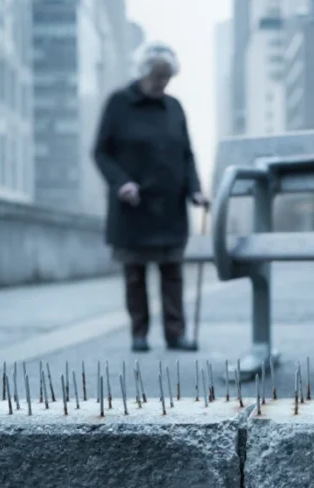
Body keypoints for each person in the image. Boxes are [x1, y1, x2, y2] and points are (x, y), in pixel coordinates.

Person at [93, 42, 209, 353]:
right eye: (158, 76)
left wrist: (195, 189)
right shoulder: (118, 103)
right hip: (133, 204)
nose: (163, 83)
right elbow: (101, 152)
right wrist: (121, 183)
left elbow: (187, 154)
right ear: (144, 72)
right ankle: (139, 334)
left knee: (172, 273)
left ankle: (175, 334)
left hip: (170, 204)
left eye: (167, 77)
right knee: (135, 275)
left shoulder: (174, 107)